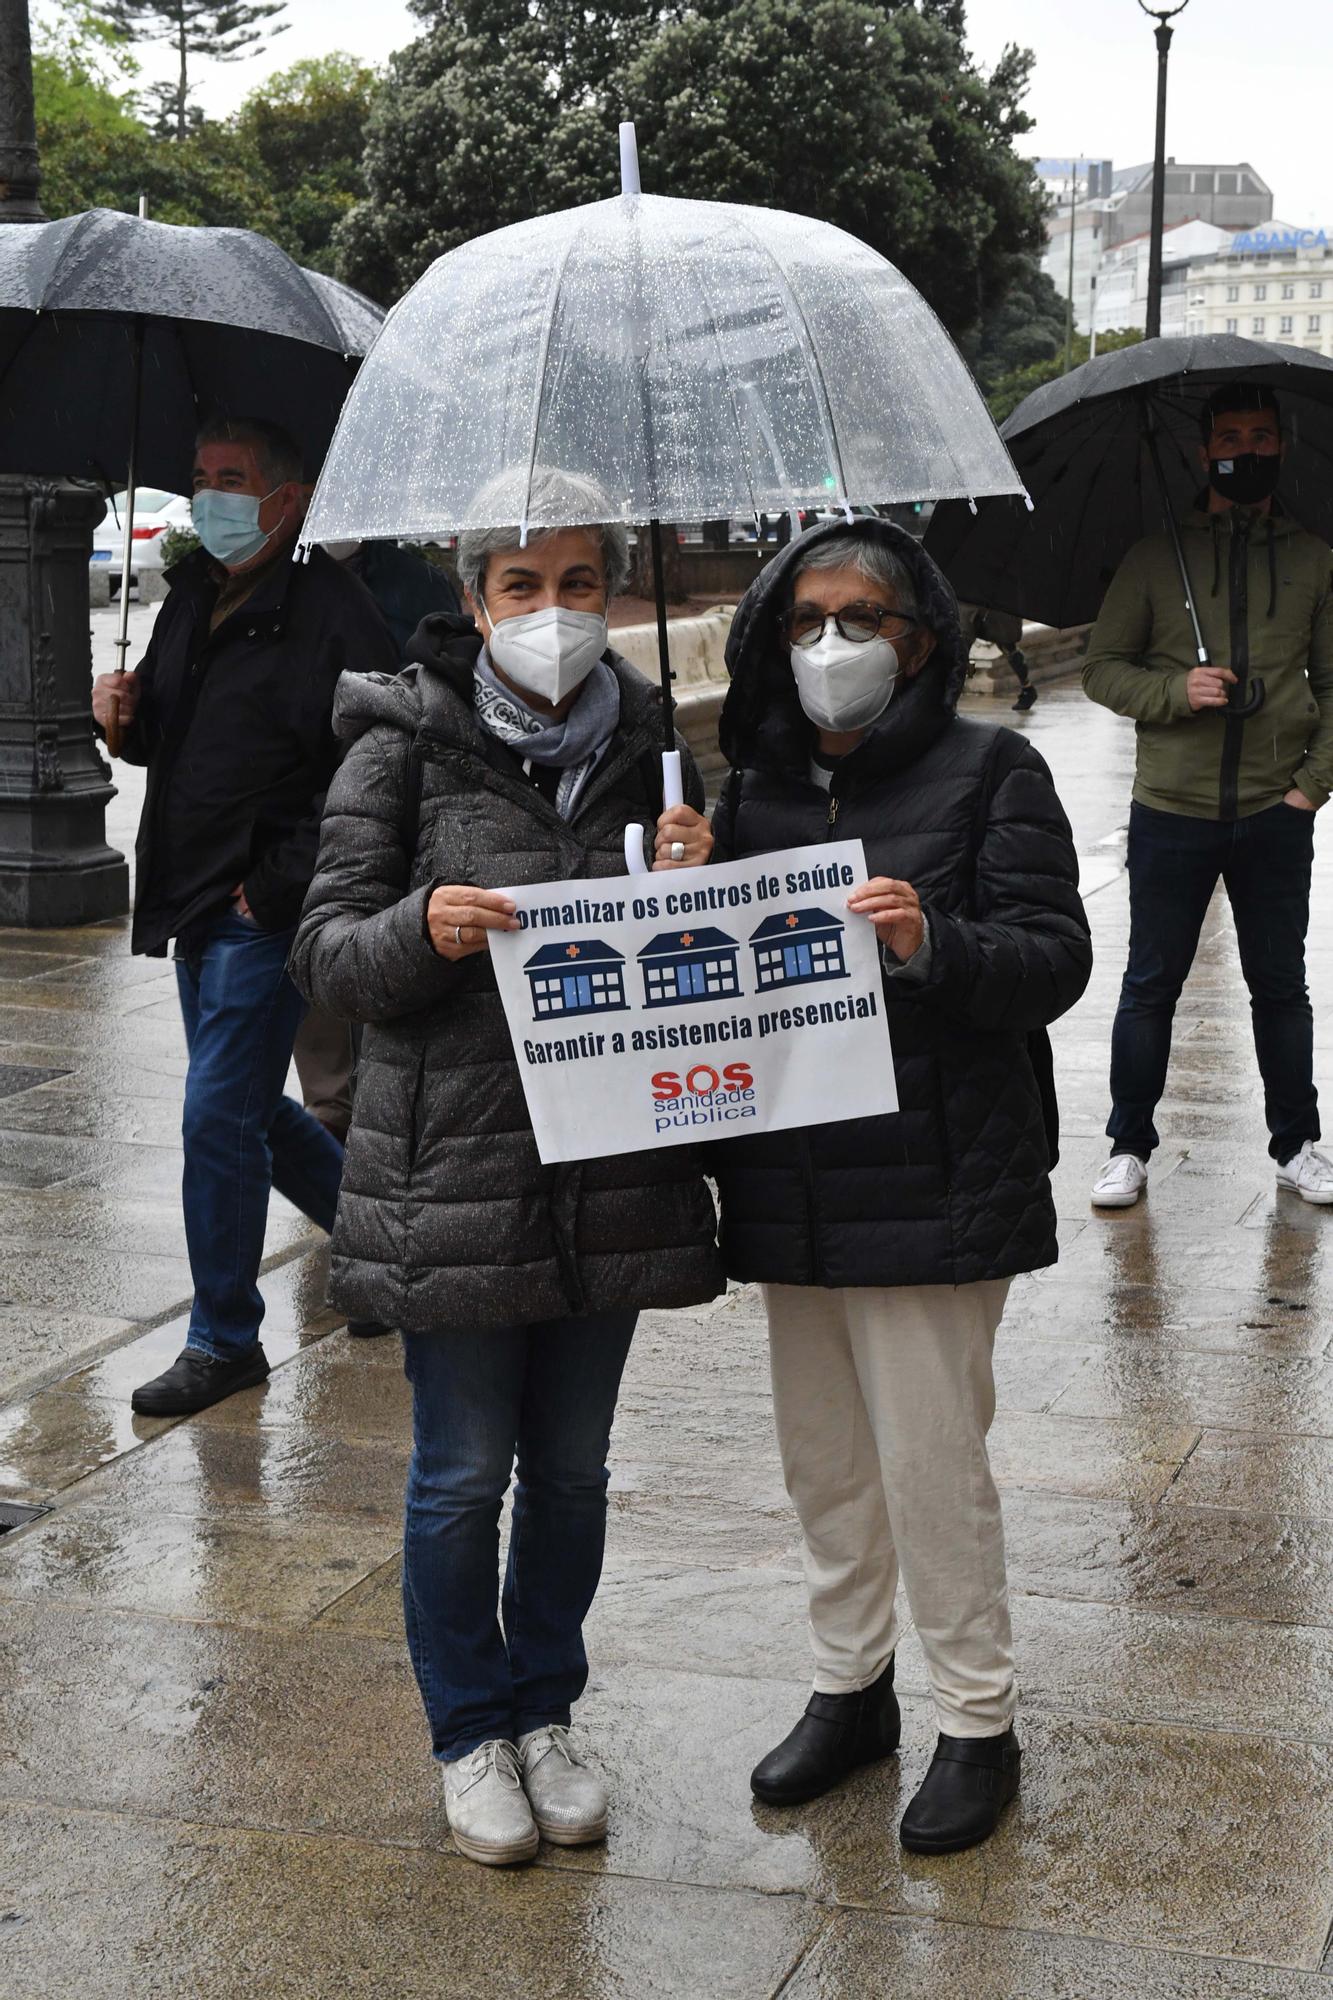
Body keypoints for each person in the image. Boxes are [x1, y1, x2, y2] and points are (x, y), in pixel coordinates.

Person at [290, 468, 724, 1869]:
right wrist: (424, 924)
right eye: (521, 587)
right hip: (454, 1175)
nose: (552, 614)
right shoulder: (397, 747)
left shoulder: (654, 742)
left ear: (614, 594)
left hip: (613, 1167)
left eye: (580, 584)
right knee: (461, 1475)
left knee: (577, 1472)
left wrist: (695, 867)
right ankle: (468, 1733)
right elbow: (328, 954)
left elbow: (702, 955)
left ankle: (548, 1712)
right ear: (473, 602)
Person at [709, 518, 1091, 1855]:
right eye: (807, 618)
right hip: (792, 1185)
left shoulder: (995, 770)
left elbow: (1051, 960)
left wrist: (933, 943)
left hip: (936, 1182)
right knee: (824, 1466)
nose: (833, 643)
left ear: (916, 638)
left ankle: (976, 1721)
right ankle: (848, 1687)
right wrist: (675, 879)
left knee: (932, 1468)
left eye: (863, 617)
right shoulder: (745, 793)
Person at [90, 416, 398, 1417]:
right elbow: (178, 744)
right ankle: (385, 1244)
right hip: (194, 893)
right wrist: (127, 721)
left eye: (231, 478)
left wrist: (274, 885)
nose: (208, 494)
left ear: (288, 499)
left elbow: (374, 770)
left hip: (263, 907)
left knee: (217, 1114)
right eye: (199, 474)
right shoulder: (191, 596)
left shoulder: (333, 614)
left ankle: (224, 1336)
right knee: (252, 1106)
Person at [1083, 383, 1333, 1209]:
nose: (1248, 451)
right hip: (1169, 811)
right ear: (1203, 451)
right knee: (1150, 982)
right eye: (1231, 436)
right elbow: (1101, 669)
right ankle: (1126, 1144)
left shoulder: (1312, 558)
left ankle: (1297, 1143)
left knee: (1280, 986)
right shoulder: (1157, 558)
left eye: (1263, 436)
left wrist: (1307, 790)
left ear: (1281, 448)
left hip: (1273, 813)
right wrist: (1174, 690)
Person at [958, 603, 1038, 711]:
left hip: (997, 604)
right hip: (968, 602)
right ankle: (957, 688)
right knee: (963, 647)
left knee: (1008, 646)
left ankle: (1027, 688)